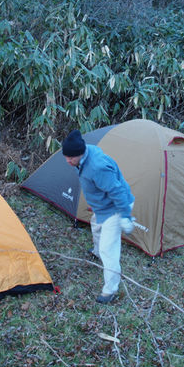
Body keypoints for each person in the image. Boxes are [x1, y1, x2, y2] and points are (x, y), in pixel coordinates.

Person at [61, 129, 135, 304]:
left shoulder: (97, 167)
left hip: (116, 208)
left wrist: (125, 215)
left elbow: (116, 191)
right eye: (66, 157)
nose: (67, 160)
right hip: (103, 206)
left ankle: (110, 291)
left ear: (80, 154)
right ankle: (97, 251)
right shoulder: (85, 154)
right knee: (96, 228)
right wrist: (96, 203)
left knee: (109, 250)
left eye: (70, 158)